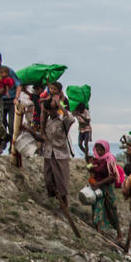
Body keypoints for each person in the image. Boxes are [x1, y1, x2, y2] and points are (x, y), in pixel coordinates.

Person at [39, 84, 80, 239]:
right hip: (49, 154)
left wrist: (60, 105)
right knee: (49, 180)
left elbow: (71, 117)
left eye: (52, 110)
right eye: (50, 110)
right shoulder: (48, 121)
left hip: (61, 154)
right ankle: (57, 201)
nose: (51, 112)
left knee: (62, 182)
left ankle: (63, 206)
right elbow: (42, 135)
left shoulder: (64, 120)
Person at [87, 139, 124, 246]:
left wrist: (100, 183)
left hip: (107, 188)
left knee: (111, 209)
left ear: (106, 149)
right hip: (97, 188)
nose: (99, 151)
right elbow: (92, 171)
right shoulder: (95, 160)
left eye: (101, 149)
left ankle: (119, 233)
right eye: (97, 149)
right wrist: (90, 165)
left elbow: (112, 175)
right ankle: (99, 232)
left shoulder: (109, 159)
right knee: (97, 207)